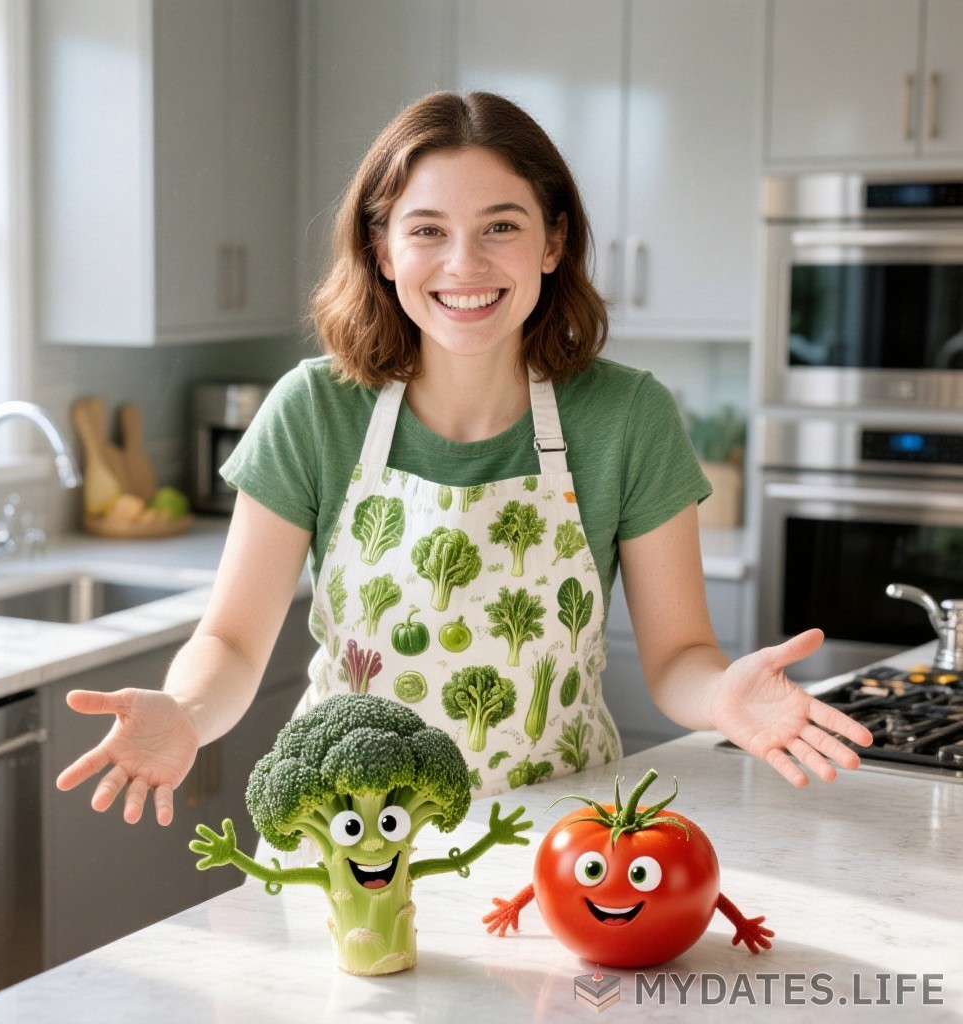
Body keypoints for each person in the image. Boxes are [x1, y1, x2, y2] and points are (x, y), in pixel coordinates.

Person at [56, 91, 872, 826]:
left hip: (557, 842)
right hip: (348, 839)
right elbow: (232, 642)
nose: (464, 265)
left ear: (553, 242)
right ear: (382, 249)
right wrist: (187, 710)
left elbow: (678, 658)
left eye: (501, 227)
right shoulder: (314, 410)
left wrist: (719, 695)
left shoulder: (627, 416)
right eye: (427, 231)